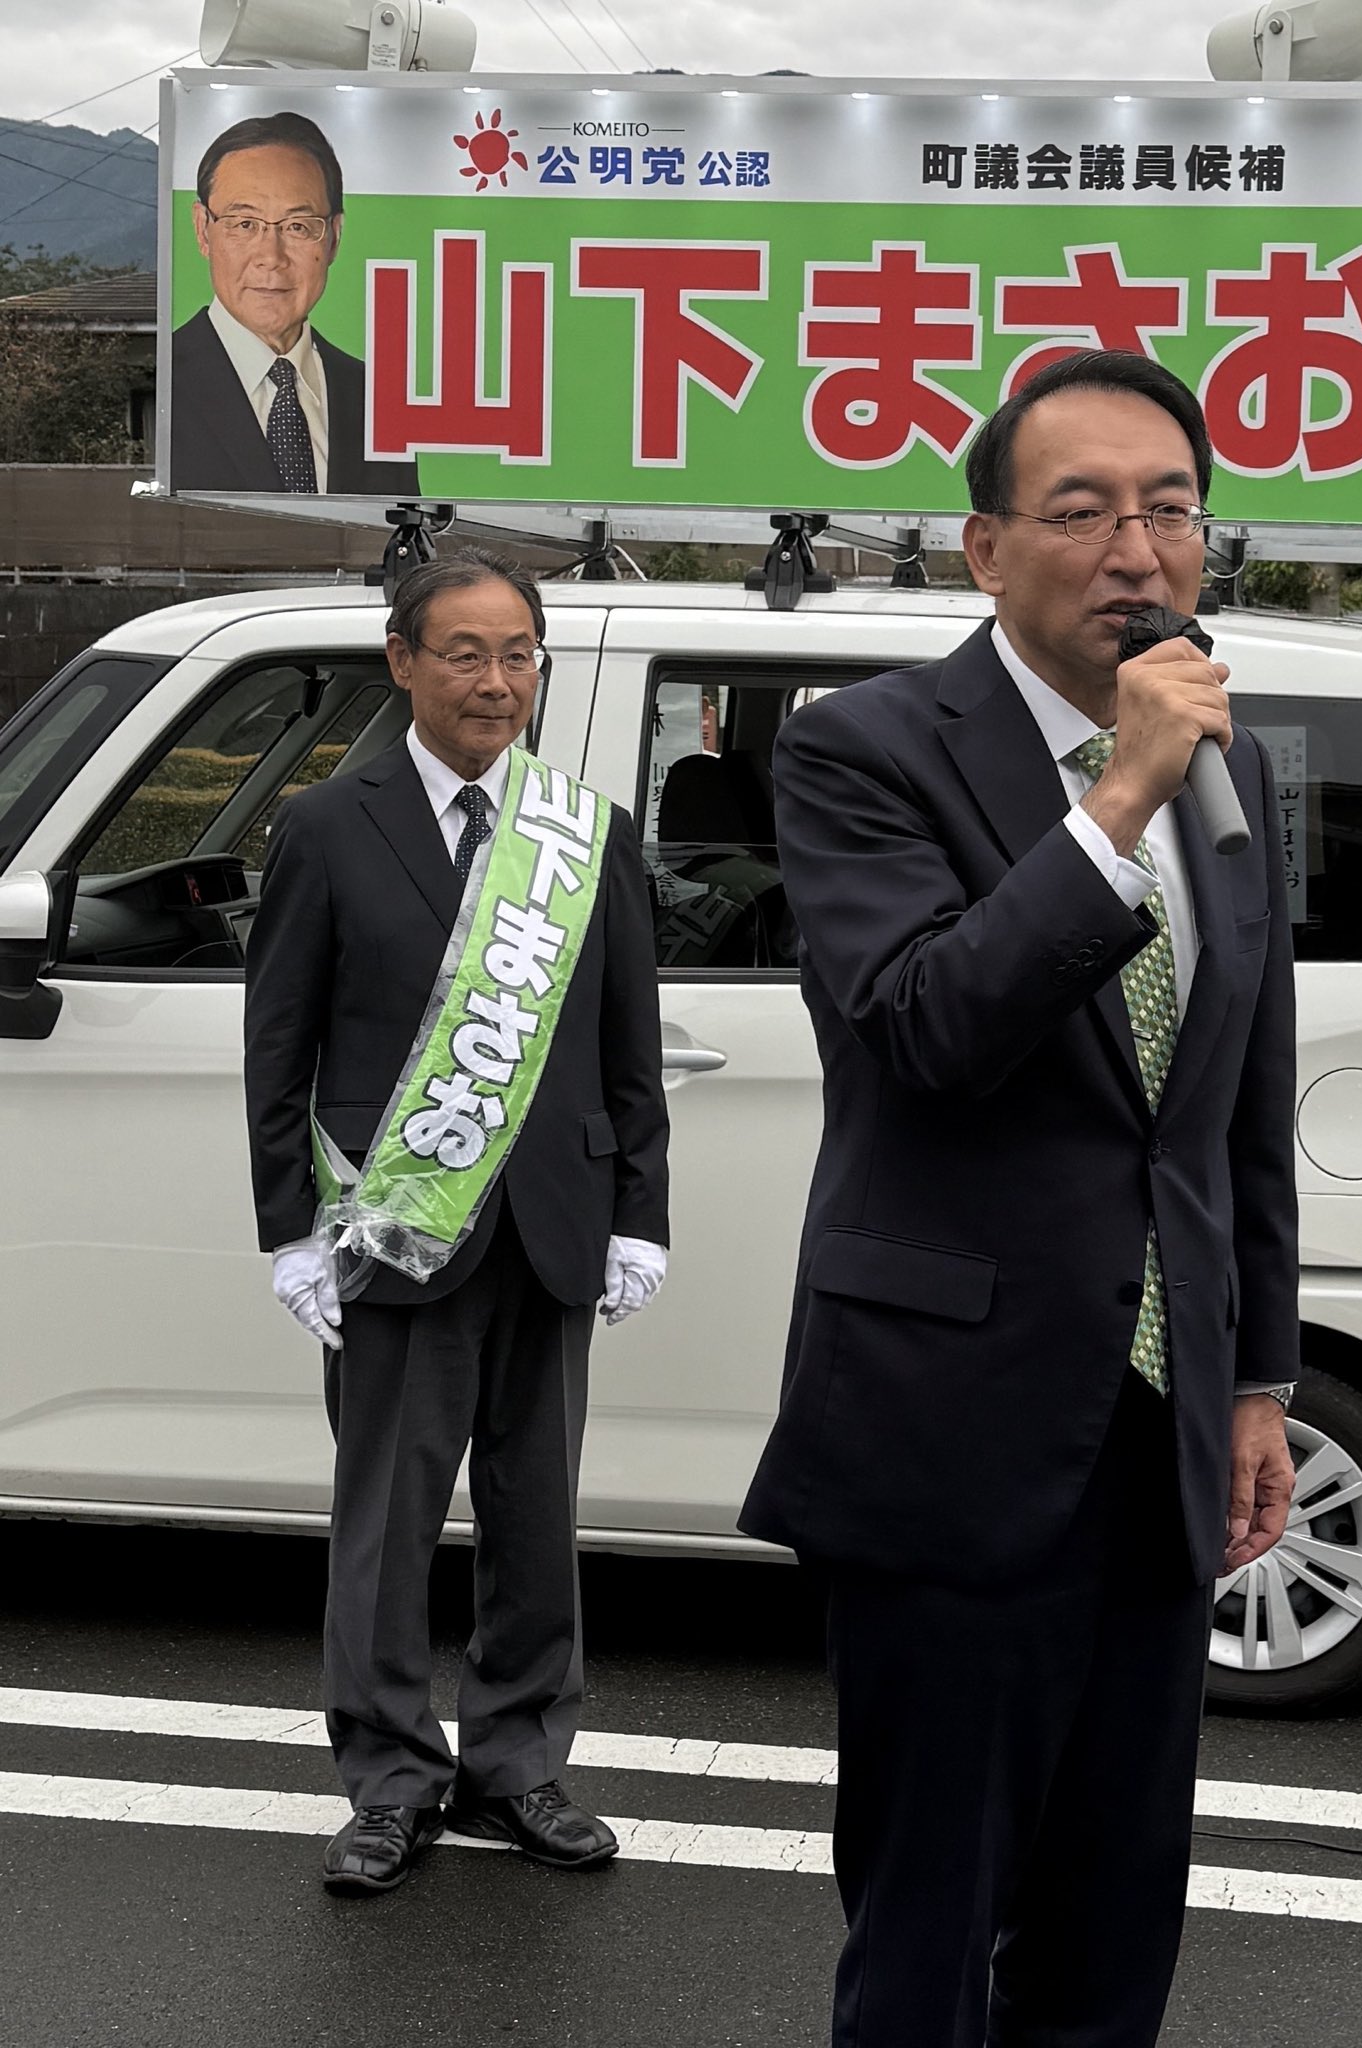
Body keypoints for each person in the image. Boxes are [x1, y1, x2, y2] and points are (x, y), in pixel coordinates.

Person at [740, 348, 1300, 2046]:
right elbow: (922, 1030)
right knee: (927, 1924)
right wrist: (1116, 793)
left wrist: (1255, 1379)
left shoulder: (1231, 761)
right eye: (1081, 510)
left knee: (1112, 1915)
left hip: (1154, 1438)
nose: (1137, 547)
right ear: (984, 550)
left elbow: (1227, 1110)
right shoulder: (861, 752)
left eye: (1170, 507)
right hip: (949, 1426)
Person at [244, 547, 668, 1895]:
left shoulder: (581, 833)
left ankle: (519, 1764)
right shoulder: (324, 826)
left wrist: (637, 1214)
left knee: (537, 1521)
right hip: (393, 1229)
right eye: (467, 653)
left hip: (550, 1224)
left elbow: (626, 1047)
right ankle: (385, 1776)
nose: (496, 682)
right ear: (404, 661)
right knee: (384, 1525)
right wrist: (290, 1229)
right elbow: (280, 1050)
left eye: (518, 654)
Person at [171, 111, 420, 497]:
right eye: (244, 224)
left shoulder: (378, 399)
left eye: (298, 227)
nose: (271, 257)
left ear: (334, 238)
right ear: (203, 230)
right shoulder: (162, 380)